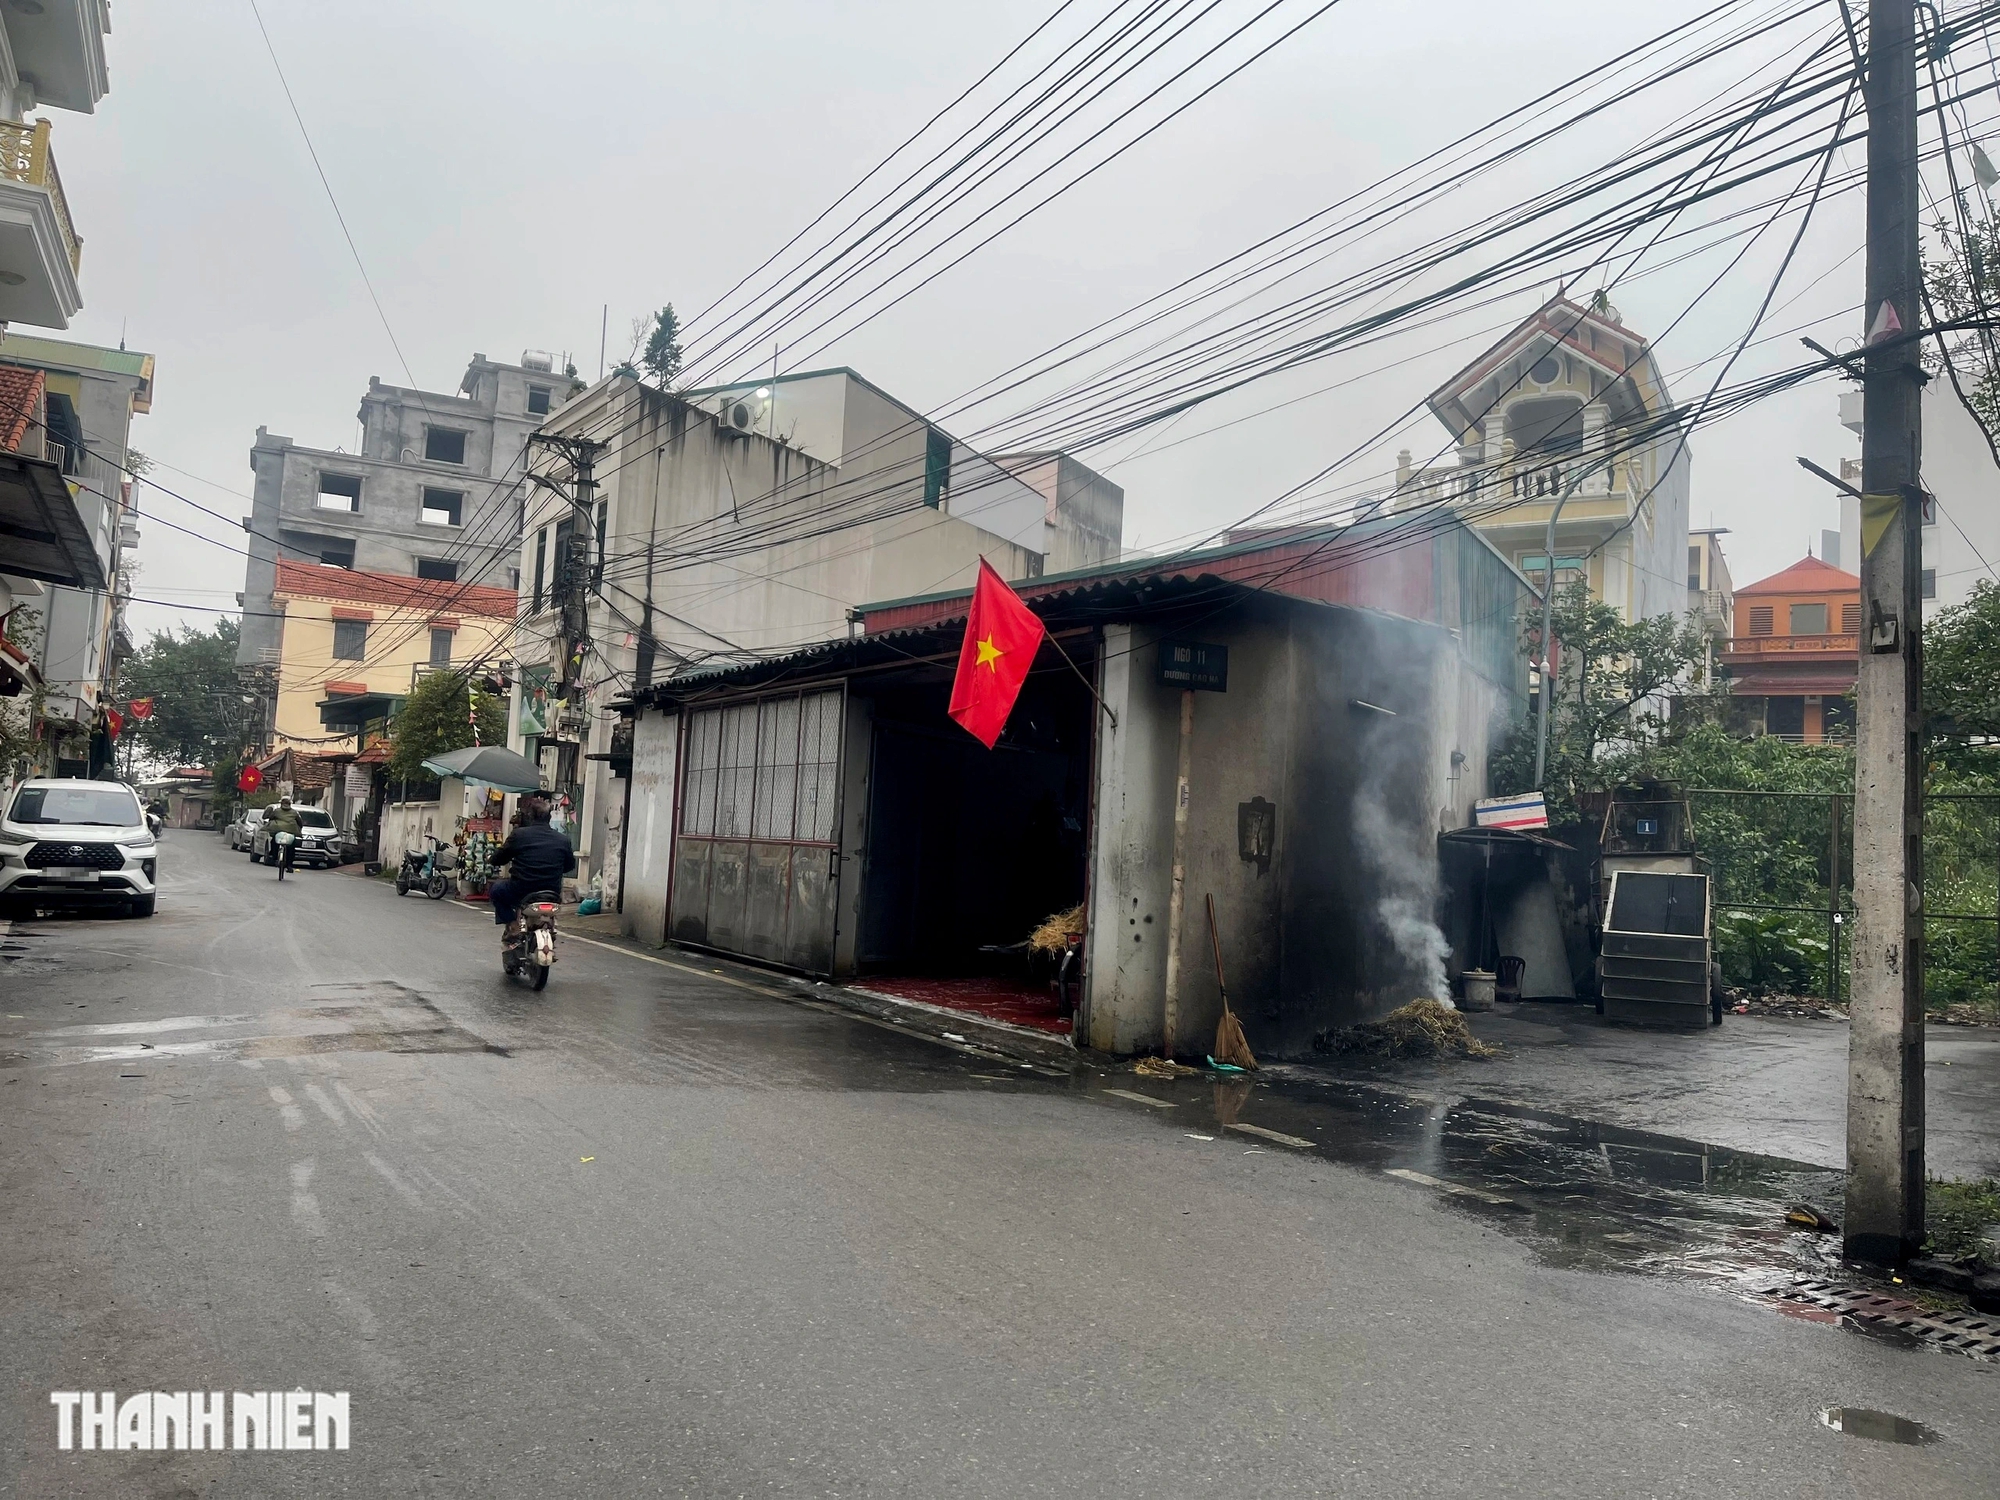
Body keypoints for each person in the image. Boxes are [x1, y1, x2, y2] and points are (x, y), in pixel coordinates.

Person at [488, 797, 574, 934]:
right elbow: (570, 866)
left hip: (521, 891)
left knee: (496, 890)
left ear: (530, 816)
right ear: (549, 817)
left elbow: (500, 858)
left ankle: (512, 924)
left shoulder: (519, 835)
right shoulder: (563, 839)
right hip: (552, 893)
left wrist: (492, 859)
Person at [263, 797, 303, 872]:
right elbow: (300, 822)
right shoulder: (294, 812)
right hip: (290, 832)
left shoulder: (276, 811)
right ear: (290, 805)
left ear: (281, 804)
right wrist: (299, 829)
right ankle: (289, 865)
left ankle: (274, 857)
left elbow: (271, 819)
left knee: (274, 842)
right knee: (291, 847)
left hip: (279, 831)